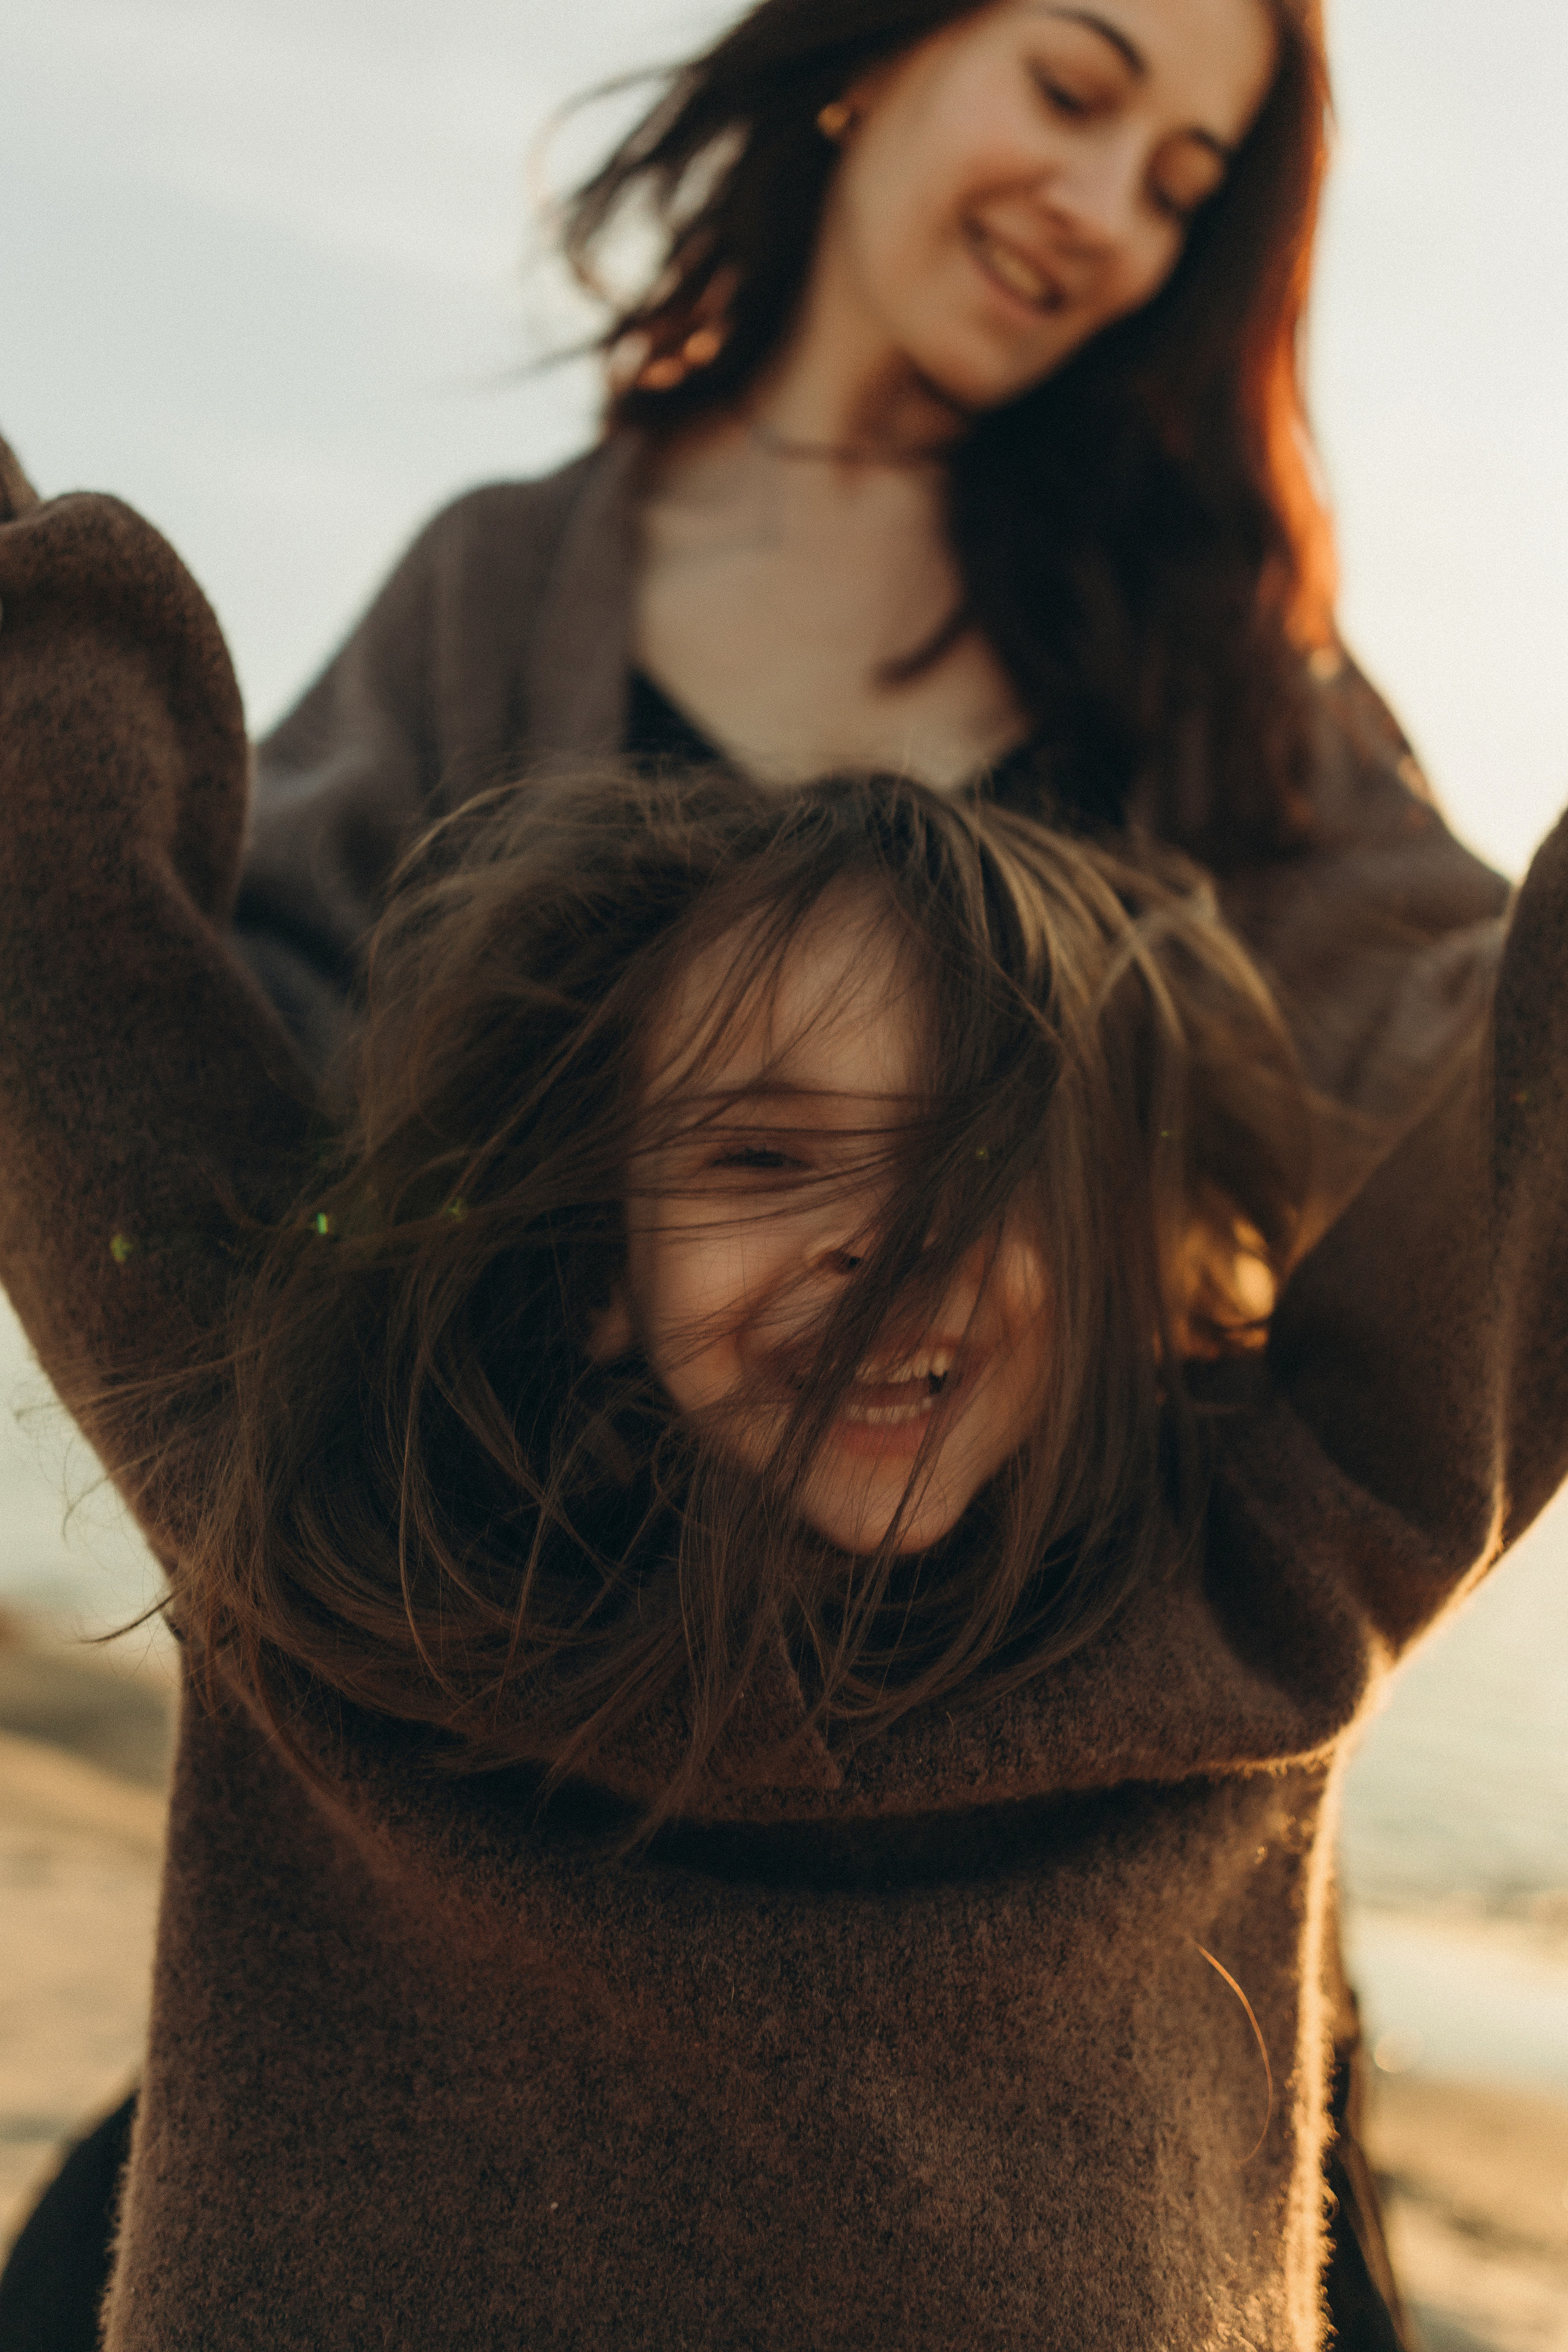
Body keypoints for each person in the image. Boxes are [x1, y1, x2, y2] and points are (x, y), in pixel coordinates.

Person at [3, 467, 1561, 2348]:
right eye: (763, 1158)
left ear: (1114, 1276)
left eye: (983, 1172)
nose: (886, 1252)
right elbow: (53, 911)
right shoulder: (325, 1515)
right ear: (599, 1262)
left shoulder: (1257, 1595)